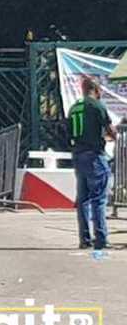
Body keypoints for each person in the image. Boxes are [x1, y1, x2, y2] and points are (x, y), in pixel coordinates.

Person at [68, 77, 115, 250]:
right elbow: (110, 129)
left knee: (83, 199)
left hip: (78, 156)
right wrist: (115, 136)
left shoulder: (74, 108)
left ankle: (84, 239)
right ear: (96, 90)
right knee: (99, 199)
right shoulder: (97, 106)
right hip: (95, 156)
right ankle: (101, 239)